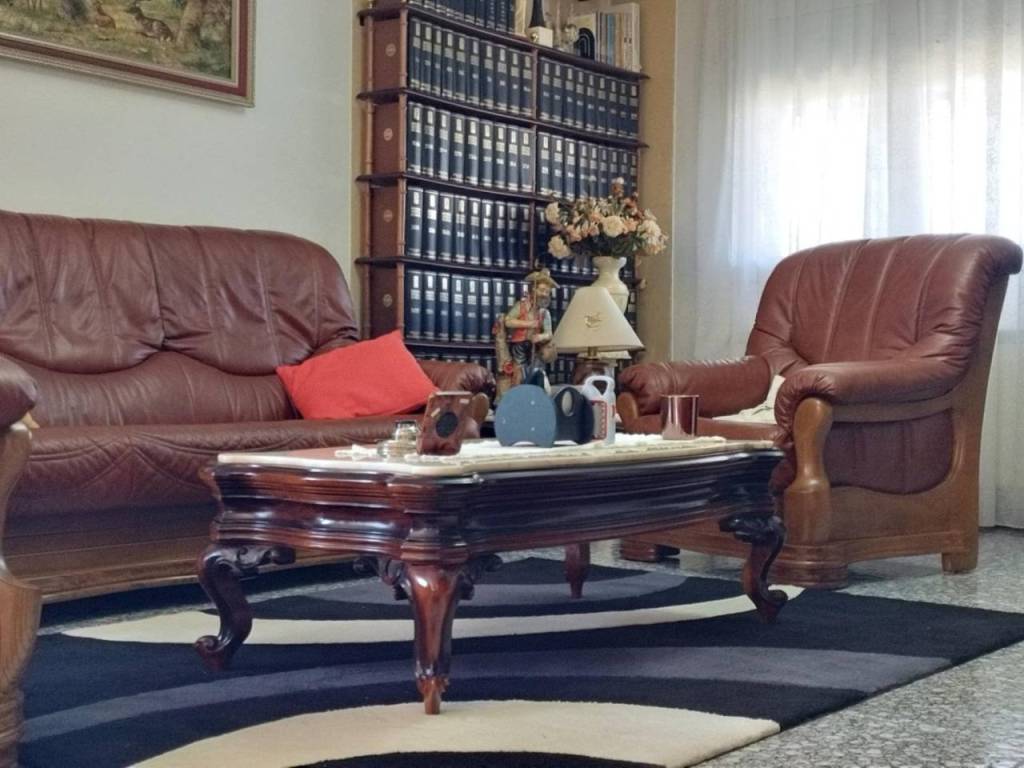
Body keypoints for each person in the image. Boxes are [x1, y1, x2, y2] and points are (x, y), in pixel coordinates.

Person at [493, 269, 559, 398]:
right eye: (542, 290)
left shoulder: (545, 313)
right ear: (533, 290)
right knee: (519, 372)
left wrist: (540, 336)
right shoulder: (521, 306)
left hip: (536, 347)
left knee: (536, 372)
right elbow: (508, 321)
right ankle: (517, 396)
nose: (544, 294)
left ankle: (536, 396)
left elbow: (549, 334)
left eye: (547, 292)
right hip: (520, 345)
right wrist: (529, 324)